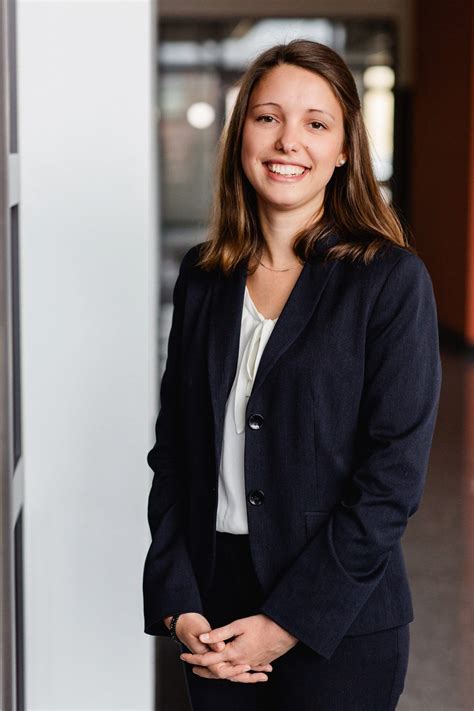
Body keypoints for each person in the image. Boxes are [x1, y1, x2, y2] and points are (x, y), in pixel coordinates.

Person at [142, 39, 442, 710]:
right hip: (213, 613)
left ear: (343, 149)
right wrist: (178, 602)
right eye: (267, 116)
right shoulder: (203, 276)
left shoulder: (390, 282)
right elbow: (177, 456)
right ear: (240, 131)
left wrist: (284, 625)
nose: (287, 141)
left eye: (316, 122)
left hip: (339, 618)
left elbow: (390, 483)